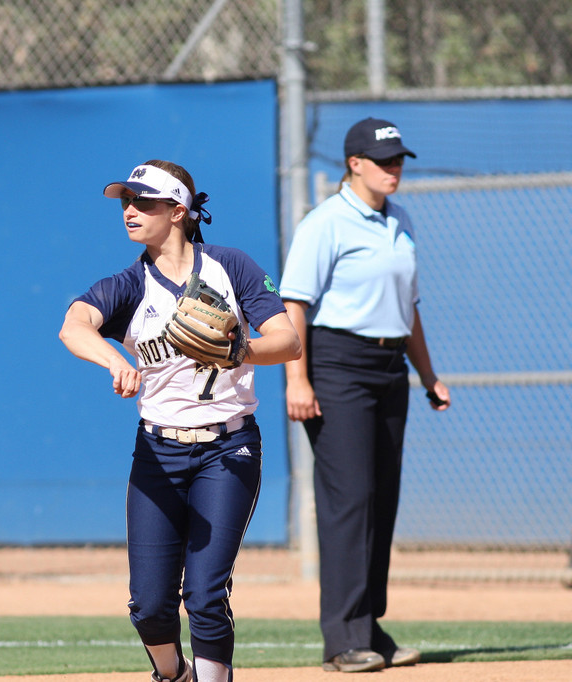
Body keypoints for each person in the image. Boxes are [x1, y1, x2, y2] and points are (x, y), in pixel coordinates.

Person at [59, 160, 301, 682]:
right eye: (126, 201)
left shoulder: (230, 266)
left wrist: (240, 350)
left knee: (206, 594)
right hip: (158, 454)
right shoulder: (128, 286)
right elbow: (73, 325)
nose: (129, 210)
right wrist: (113, 358)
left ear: (178, 210)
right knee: (148, 605)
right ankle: (174, 676)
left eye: (143, 201)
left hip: (227, 449)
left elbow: (288, 340)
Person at [279, 118, 451, 673]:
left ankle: (369, 628)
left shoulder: (399, 220)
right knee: (349, 499)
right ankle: (343, 640)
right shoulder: (325, 223)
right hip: (336, 364)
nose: (395, 168)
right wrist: (297, 379)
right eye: (385, 160)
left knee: (381, 499)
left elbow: (410, 310)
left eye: (400, 159)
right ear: (355, 163)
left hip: (387, 364)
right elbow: (295, 305)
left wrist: (428, 376)